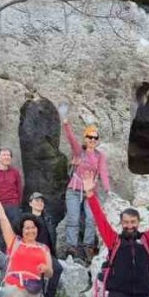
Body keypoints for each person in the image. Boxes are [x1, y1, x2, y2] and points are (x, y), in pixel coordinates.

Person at [61, 111, 110, 261]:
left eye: (95, 138)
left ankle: (88, 246)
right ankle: (71, 247)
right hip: (74, 190)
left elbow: (103, 172)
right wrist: (66, 124)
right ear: (85, 138)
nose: (92, 140)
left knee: (91, 218)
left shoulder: (100, 156)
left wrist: (108, 190)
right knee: (73, 219)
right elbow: (71, 139)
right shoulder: (79, 152)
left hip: (90, 192)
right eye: (90, 137)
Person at [28, 192, 63, 297]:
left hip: (47, 253)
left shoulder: (48, 218)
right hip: (33, 253)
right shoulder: (27, 220)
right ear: (30, 203)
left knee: (57, 268)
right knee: (39, 273)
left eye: (41, 201)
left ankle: (50, 296)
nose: (40, 203)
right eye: (37, 200)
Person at [0, 148, 24, 225]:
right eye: (4, 155)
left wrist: (17, 204)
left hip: (13, 206)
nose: (7, 157)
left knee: (15, 230)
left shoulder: (15, 173)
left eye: (9, 155)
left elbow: (19, 190)